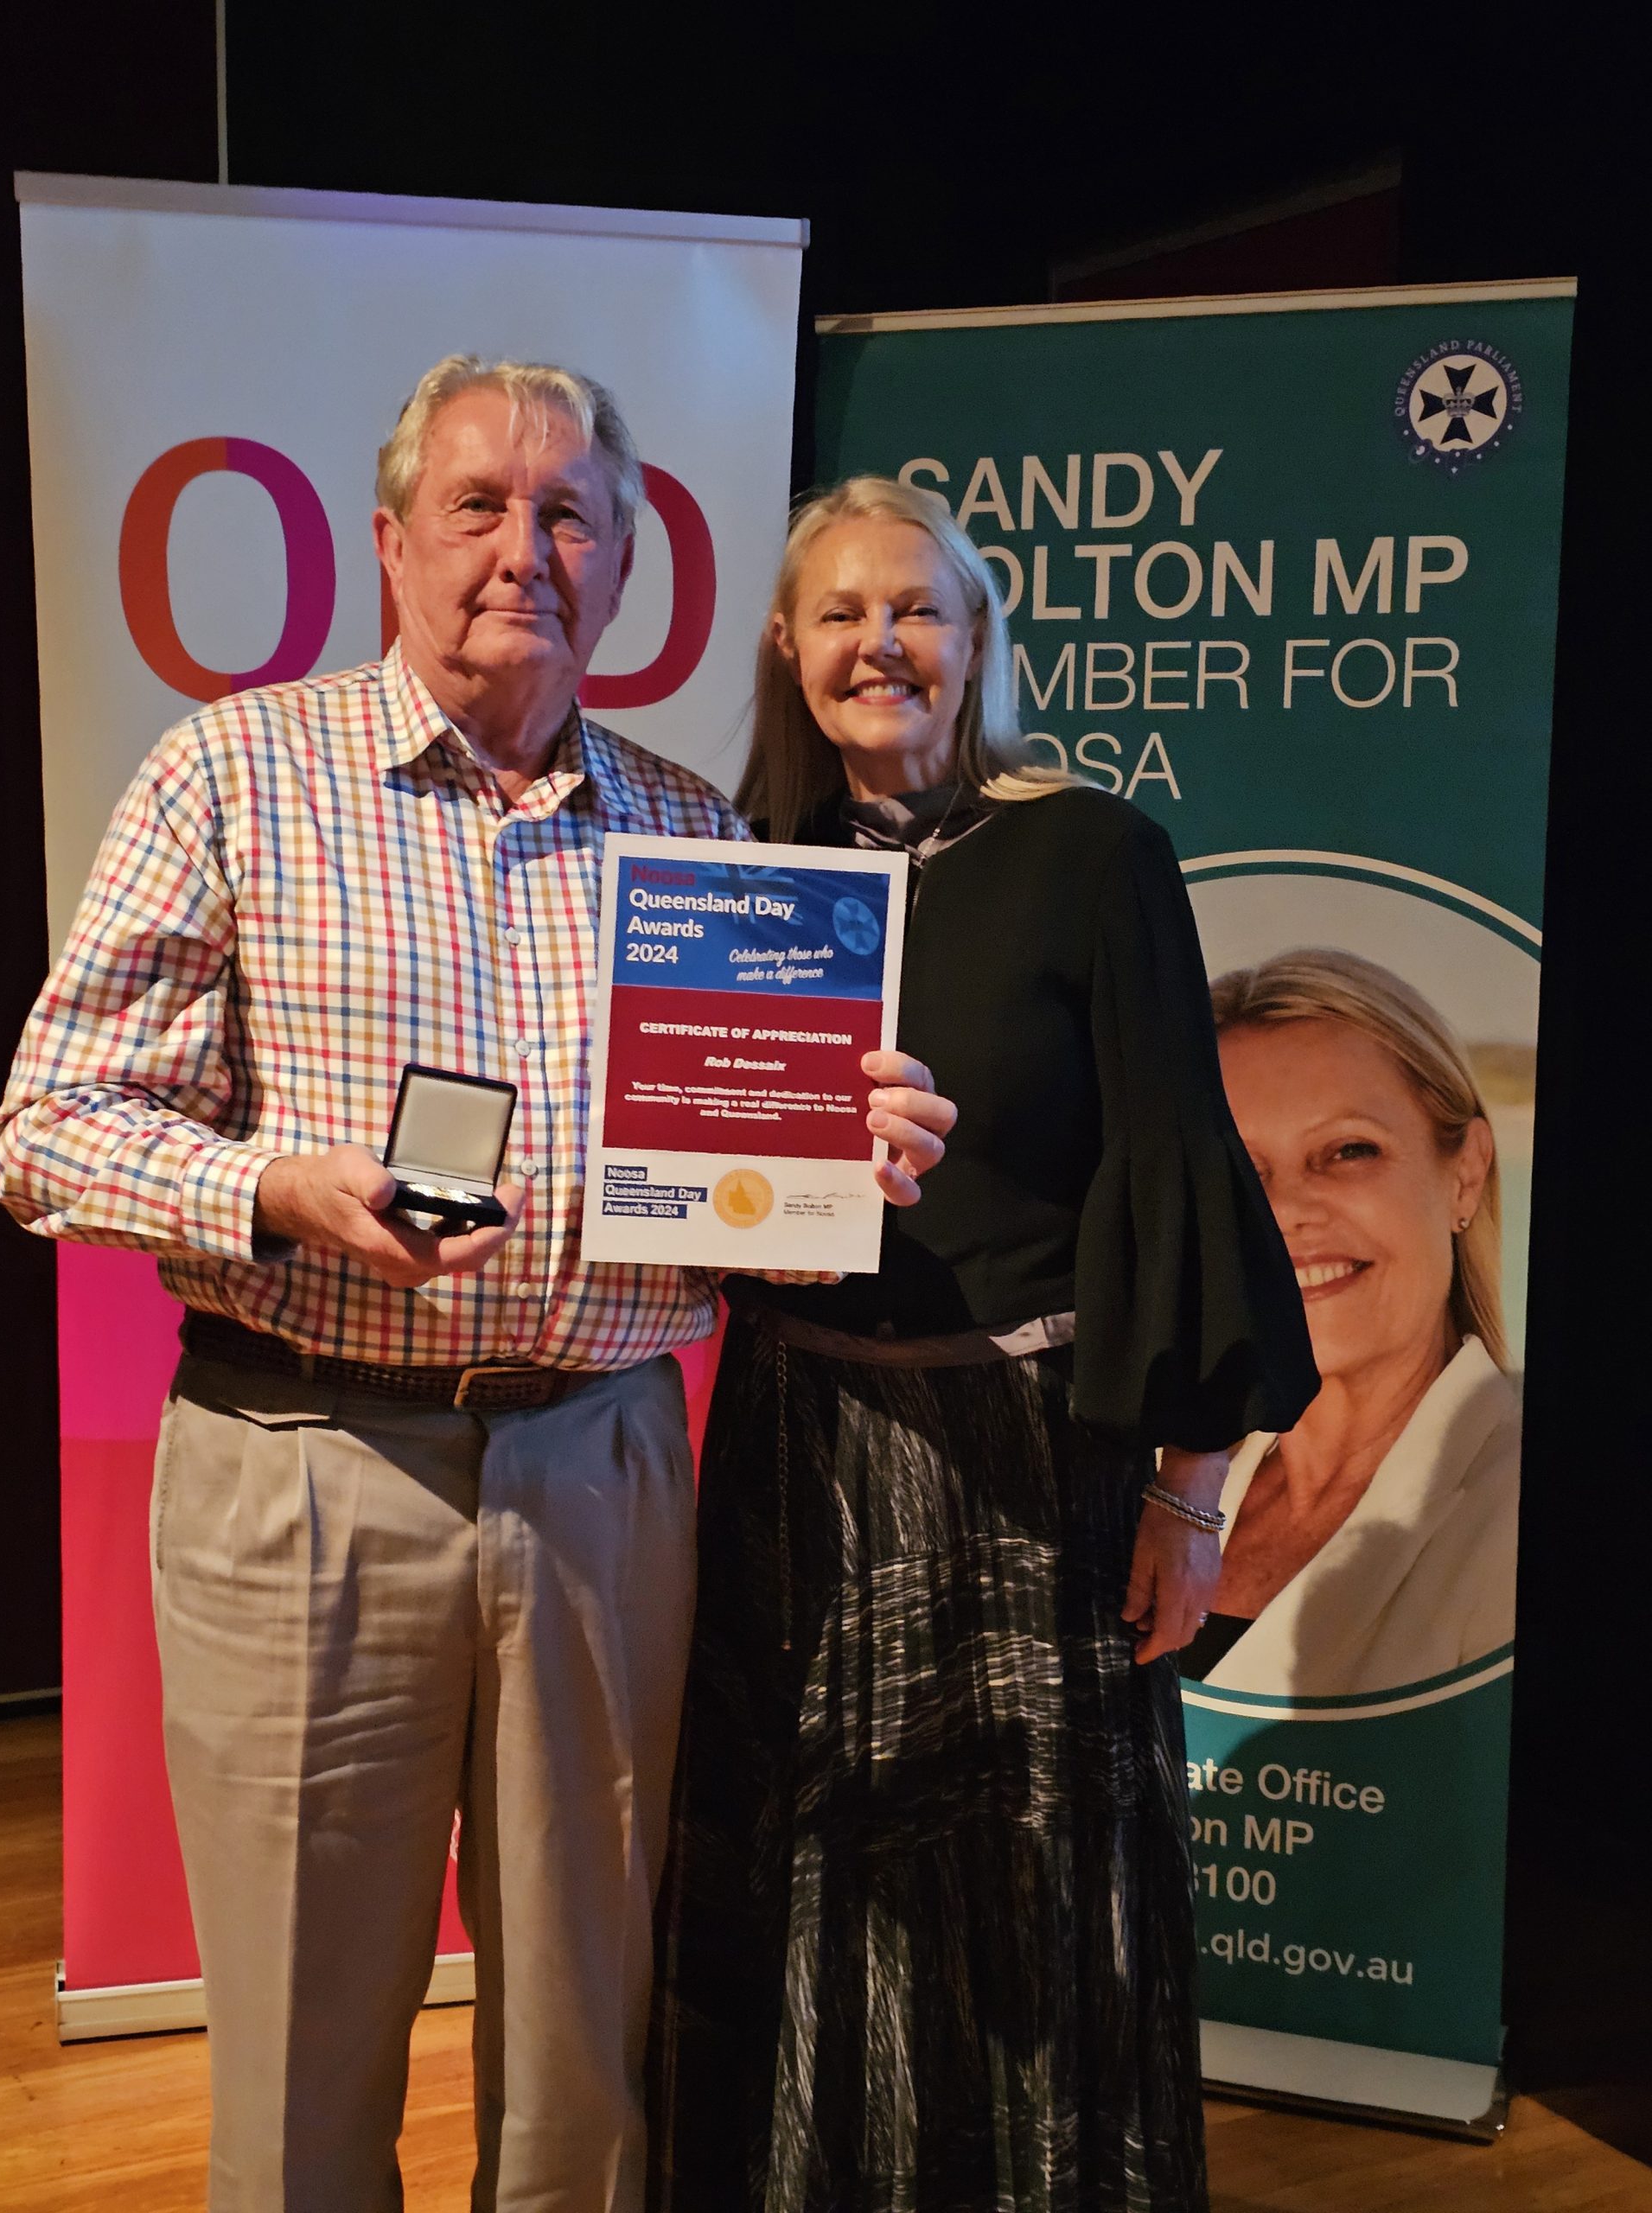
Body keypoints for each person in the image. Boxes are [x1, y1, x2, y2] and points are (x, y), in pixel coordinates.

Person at [0, 361, 953, 2213]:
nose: (527, 548)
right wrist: (272, 1188)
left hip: (604, 1470)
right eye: (480, 505)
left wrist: (843, 1151)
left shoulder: (695, 837)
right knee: (299, 2048)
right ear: (389, 542)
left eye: (570, 514)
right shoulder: (232, 774)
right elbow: (46, 1129)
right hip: (305, 1465)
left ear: (624, 565)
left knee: (590, 2047)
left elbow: (737, 1201)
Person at [645, 476, 1317, 2213]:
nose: (881, 644)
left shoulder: (1097, 857)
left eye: (918, 609)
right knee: (805, 1866)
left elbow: (1177, 1172)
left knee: (1038, 1892)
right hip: (794, 1446)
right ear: (787, 648)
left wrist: (1189, 1493)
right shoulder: (744, 879)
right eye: (843, 613)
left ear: (978, 641)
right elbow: (687, 1188)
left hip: (1030, 1458)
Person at [1178, 949, 1520, 1697]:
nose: (1286, 1212)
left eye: (1348, 1151)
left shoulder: (1548, 1508)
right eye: (1240, 1172)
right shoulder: (1156, 1477)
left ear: (1465, 1174)